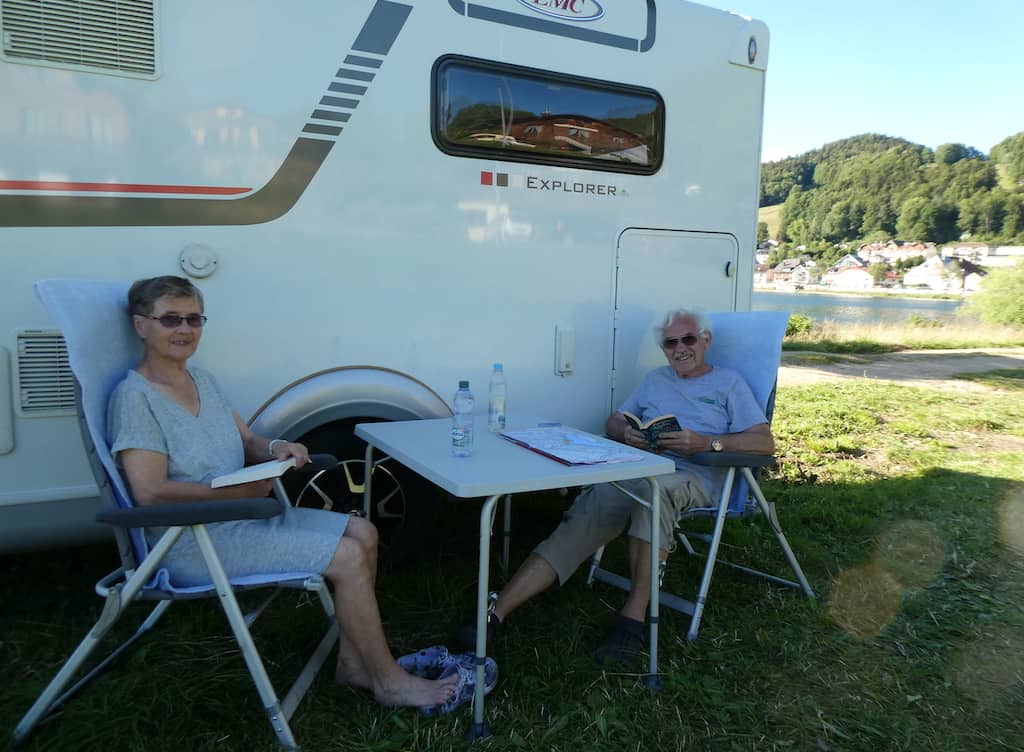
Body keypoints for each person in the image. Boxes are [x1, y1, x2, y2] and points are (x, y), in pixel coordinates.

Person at [107, 275, 457, 710]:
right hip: (194, 542)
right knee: (347, 556)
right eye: (170, 319)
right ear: (141, 325)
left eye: (194, 319)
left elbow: (247, 441)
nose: (184, 329)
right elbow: (150, 494)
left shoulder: (200, 379)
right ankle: (389, 682)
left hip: (243, 517)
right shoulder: (136, 398)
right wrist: (240, 495)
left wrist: (277, 448)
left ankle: (352, 665)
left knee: (364, 531)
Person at [456, 307, 774, 663]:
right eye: (670, 343)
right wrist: (627, 433)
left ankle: (632, 620)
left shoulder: (729, 383)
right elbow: (614, 421)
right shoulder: (655, 379)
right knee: (596, 500)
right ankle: (497, 612)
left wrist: (707, 443)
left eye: (688, 339)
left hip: (693, 474)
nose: (680, 349)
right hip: (641, 467)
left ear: (706, 340)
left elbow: (764, 442)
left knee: (654, 495)